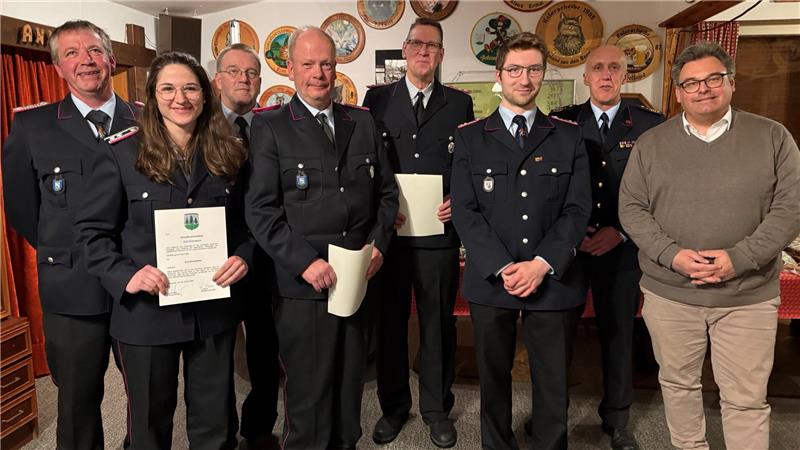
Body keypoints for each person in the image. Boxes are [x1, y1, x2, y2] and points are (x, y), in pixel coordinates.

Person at [618, 42, 800, 450]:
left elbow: (791, 208)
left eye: (713, 79)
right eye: (691, 83)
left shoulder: (772, 136)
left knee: (746, 399)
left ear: (731, 83)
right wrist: (672, 255)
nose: (703, 89)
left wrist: (741, 258)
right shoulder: (651, 143)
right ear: (678, 92)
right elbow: (631, 209)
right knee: (678, 385)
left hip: (747, 295)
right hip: (671, 294)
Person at [75, 51, 253, 450]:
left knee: (215, 423)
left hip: (211, 309)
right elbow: (91, 234)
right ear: (153, 96)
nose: (180, 98)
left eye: (190, 88)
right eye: (168, 89)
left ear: (205, 94)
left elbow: (247, 226)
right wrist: (127, 275)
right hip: (146, 313)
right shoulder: (121, 152)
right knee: (150, 424)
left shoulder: (229, 151)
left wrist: (244, 256)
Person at [244, 26, 398, 450]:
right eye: (308, 64)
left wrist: (379, 245)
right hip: (304, 285)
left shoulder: (361, 122)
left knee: (350, 388)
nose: (318, 73)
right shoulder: (271, 126)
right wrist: (304, 262)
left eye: (326, 64)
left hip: (356, 278)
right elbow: (260, 210)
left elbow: (387, 195)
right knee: (309, 395)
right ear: (290, 69)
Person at [450, 32, 591, 450]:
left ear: (543, 74)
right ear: (499, 75)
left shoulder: (568, 136)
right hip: (493, 278)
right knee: (493, 377)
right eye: (514, 69)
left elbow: (577, 209)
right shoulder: (471, 137)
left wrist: (541, 264)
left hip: (553, 277)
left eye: (533, 69)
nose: (524, 79)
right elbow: (465, 211)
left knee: (553, 379)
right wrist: (504, 266)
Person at [2, 20, 136, 450]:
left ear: (111, 59)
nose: (85, 61)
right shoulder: (33, 127)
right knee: (77, 404)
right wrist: (65, 250)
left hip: (139, 283)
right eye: (72, 53)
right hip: (72, 285)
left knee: (148, 397)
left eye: (94, 51)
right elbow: (24, 212)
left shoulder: (148, 118)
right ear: (58, 67)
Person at [362, 17, 474, 448]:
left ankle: (436, 409)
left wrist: (458, 199)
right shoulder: (377, 99)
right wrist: (379, 209)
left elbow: (468, 163)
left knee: (438, 324)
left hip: (438, 236)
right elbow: (367, 163)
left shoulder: (459, 103)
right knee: (389, 323)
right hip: (390, 236)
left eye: (433, 46)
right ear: (405, 50)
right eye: (417, 44)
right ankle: (393, 407)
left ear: (441, 54)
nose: (424, 51)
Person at [548, 45, 664, 450]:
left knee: (619, 335)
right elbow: (550, 187)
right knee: (557, 335)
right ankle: (552, 416)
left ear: (625, 76)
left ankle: (617, 419)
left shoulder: (649, 125)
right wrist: (571, 231)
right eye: (597, 67)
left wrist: (622, 232)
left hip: (621, 249)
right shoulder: (561, 122)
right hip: (571, 248)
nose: (606, 74)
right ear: (585, 77)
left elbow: (658, 193)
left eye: (614, 67)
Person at [214, 43, 281, 449]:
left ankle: (259, 428)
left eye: (251, 72)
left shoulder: (273, 127)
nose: (243, 78)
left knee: (265, 349)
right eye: (234, 71)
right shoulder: (199, 128)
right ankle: (222, 430)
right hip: (217, 260)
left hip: (265, 256)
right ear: (218, 80)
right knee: (217, 353)